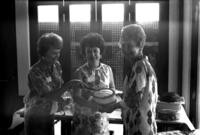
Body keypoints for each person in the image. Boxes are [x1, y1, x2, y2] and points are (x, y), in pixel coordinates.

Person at [104, 24, 158, 135]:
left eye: (129, 46)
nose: (125, 50)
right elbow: (133, 93)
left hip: (139, 128)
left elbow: (134, 101)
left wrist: (114, 105)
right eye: (123, 45)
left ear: (140, 45)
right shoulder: (142, 64)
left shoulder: (139, 67)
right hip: (144, 125)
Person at [72, 32, 115, 135]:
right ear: (84, 54)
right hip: (84, 118)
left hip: (102, 117)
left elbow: (112, 89)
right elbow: (76, 97)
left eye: (95, 51)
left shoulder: (108, 69)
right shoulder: (79, 72)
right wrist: (90, 105)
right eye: (88, 51)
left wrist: (108, 102)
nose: (92, 54)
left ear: (100, 54)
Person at [24, 33, 67, 135]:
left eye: (59, 52)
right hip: (36, 117)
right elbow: (48, 95)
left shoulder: (56, 65)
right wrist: (69, 85)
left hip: (50, 113)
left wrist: (62, 99)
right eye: (54, 53)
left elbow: (57, 88)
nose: (57, 56)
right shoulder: (35, 71)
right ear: (43, 53)